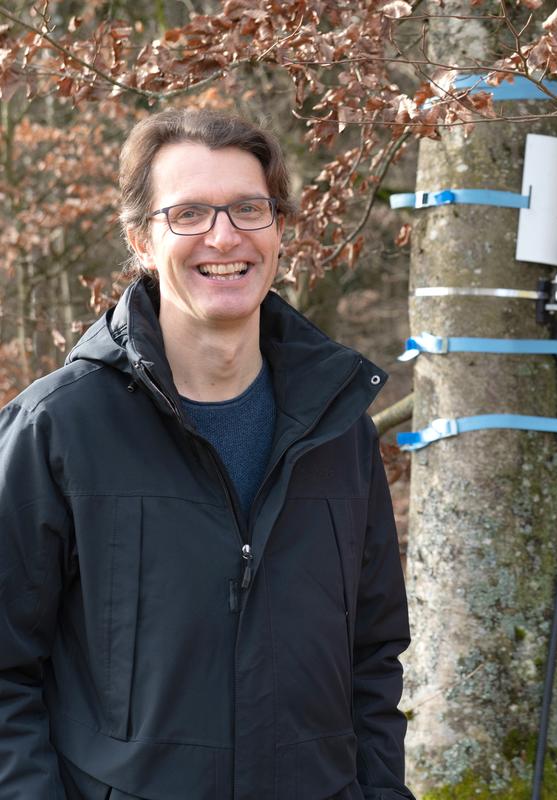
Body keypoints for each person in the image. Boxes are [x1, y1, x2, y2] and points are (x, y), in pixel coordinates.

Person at [0, 109, 414, 800]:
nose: (224, 236)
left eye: (249, 208)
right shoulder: (58, 429)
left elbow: (372, 662)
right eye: (188, 213)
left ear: (279, 229)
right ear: (140, 239)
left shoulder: (339, 431)